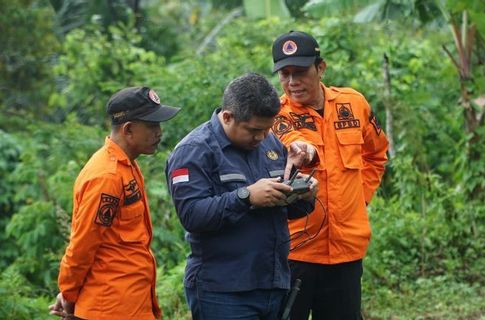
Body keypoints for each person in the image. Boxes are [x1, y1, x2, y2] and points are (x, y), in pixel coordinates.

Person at [165, 72, 319, 320]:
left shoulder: (268, 143)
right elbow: (192, 216)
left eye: (267, 129)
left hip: (273, 282)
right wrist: (246, 197)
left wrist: (303, 194)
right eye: (254, 130)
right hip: (224, 291)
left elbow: (284, 210)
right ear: (227, 117)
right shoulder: (194, 151)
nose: (261, 137)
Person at [271, 31, 389, 320]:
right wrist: (305, 151)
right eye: (284, 74)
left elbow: (376, 153)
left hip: (346, 248)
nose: (292, 82)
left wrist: (359, 199)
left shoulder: (354, 104)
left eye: (299, 72)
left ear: (320, 68)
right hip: (295, 250)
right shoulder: (275, 114)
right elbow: (294, 140)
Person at [48, 87, 181, 320]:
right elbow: (82, 246)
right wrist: (69, 294)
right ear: (128, 130)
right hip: (109, 308)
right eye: (152, 126)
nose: (159, 132)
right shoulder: (106, 176)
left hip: (132, 303)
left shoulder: (126, 165)